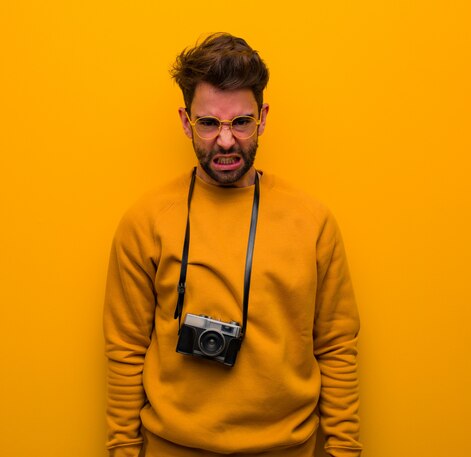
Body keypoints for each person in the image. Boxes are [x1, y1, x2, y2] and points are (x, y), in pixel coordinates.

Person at [103, 33, 362, 457]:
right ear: (187, 122)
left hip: (288, 447)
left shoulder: (312, 221)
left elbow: (336, 345)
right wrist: (122, 451)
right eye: (209, 123)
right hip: (173, 446)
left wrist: (344, 450)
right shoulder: (145, 222)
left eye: (240, 122)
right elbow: (125, 349)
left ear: (262, 118)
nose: (225, 141)